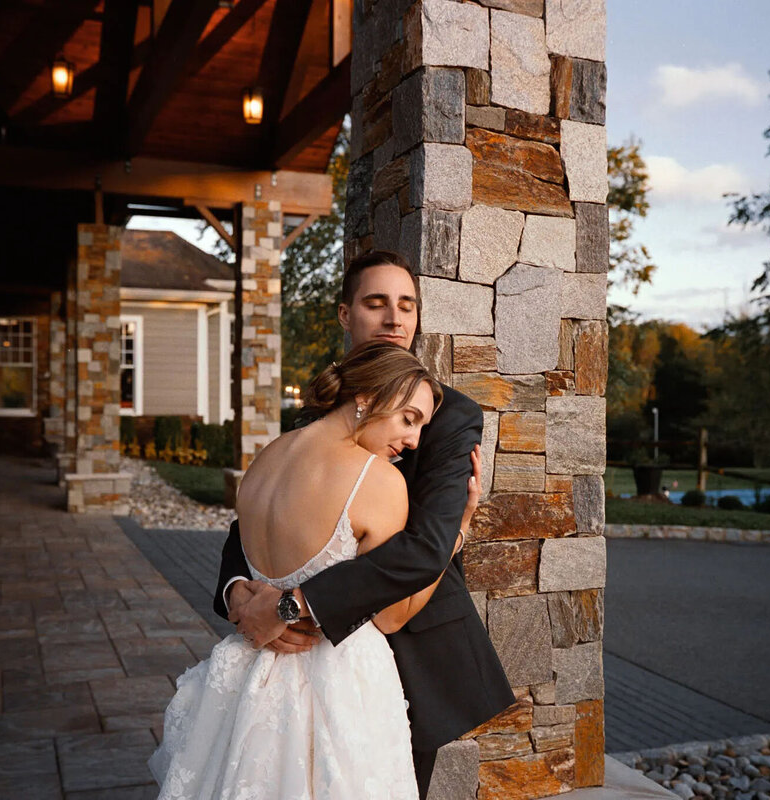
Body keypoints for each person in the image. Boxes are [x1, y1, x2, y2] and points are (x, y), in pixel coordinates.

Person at [216, 251, 515, 798]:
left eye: (407, 306)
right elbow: (249, 524)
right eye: (376, 304)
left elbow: (426, 545)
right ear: (345, 315)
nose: (394, 319)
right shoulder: (312, 419)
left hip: (410, 642)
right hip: (293, 652)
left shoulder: (450, 415)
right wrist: (239, 593)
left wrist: (294, 602)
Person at [150, 341, 464, 799]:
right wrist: (457, 531)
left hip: (250, 678)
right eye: (409, 419)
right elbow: (392, 616)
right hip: (338, 690)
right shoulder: (378, 481)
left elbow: (242, 546)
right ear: (368, 398)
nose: (414, 441)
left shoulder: (266, 459)